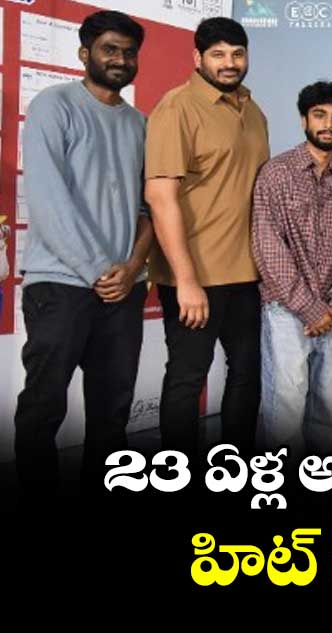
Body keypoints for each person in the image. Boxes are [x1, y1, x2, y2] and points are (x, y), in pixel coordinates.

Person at [16, 10, 153, 496]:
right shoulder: (53, 106)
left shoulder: (141, 124)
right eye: (109, 49)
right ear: (84, 54)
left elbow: (149, 209)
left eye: (128, 52)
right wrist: (100, 271)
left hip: (124, 289)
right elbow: (49, 199)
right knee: (44, 405)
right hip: (60, 285)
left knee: (113, 410)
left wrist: (133, 268)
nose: (120, 59)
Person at [144, 17, 270, 460]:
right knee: (187, 378)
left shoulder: (253, 111)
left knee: (247, 374)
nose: (229, 63)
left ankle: (234, 468)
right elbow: (160, 196)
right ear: (197, 57)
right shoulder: (177, 107)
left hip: (246, 273)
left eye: (237, 54)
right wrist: (186, 280)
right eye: (217, 54)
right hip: (194, 274)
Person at [251, 81, 332, 456]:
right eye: (320, 115)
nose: (328, 124)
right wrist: (310, 308)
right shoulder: (275, 173)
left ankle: (321, 477)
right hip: (286, 310)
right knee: (285, 405)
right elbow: (268, 247)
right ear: (304, 120)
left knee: (329, 410)